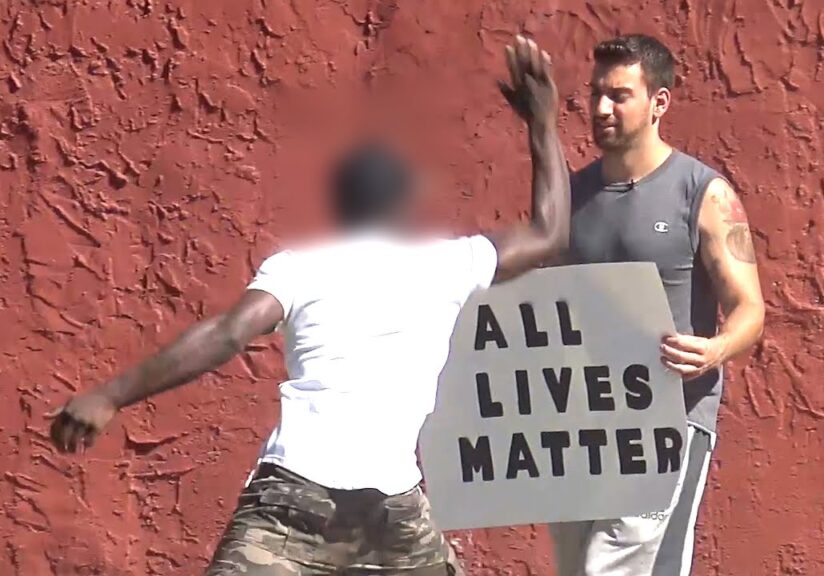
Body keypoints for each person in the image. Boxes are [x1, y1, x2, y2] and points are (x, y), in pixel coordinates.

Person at [47, 35, 569, 576]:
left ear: (339, 205)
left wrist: (110, 395)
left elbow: (228, 333)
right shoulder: (448, 265)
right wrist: (542, 123)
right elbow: (549, 234)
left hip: (294, 502)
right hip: (391, 508)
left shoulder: (300, 269)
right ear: (406, 203)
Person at [549, 34, 766, 576]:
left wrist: (715, 350)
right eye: (596, 93)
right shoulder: (571, 197)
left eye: (619, 95)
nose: (601, 108)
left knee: (614, 567)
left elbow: (750, 309)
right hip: (580, 419)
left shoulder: (705, 194)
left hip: (668, 417)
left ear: (659, 102)